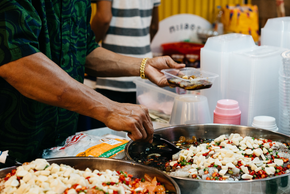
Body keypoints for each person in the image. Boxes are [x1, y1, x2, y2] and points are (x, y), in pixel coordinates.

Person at [0, 0, 185, 165]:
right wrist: (109, 108)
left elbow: (84, 49)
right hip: (11, 144)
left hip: (61, 146)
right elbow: (17, 61)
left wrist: (144, 65)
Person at [90, 0, 160, 104]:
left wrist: (86, 46)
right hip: (145, 74)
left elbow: (103, 18)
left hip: (112, 73)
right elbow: (154, 26)